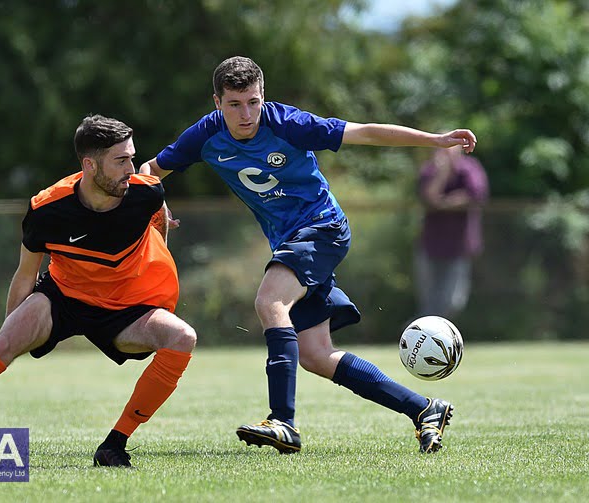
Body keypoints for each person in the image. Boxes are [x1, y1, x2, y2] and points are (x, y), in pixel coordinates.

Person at [139, 56, 477, 454]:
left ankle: (283, 421)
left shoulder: (288, 124)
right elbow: (149, 170)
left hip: (323, 227)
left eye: (253, 101)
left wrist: (435, 140)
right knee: (316, 355)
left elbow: (366, 133)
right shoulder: (205, 136)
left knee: (270, 300)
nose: (246, 114)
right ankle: (423, 410)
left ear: (263, 96)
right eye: (234, 104)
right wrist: (155, 207)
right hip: (289, 241)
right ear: (217, 103)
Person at [0, 114, 196, 468]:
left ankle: (115, 444)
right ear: (89, 164)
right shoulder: (47, 209)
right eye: (121, 160)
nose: (131, 169)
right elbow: (26, 276)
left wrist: (157, 250)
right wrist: (12, 330)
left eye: (132, 157)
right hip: (64, 297)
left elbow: (158, 216)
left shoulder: (145, 193)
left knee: (183, 337)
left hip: (126, 308)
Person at [415, 146, 489, 318]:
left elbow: (475, 196)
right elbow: (429, 197)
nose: (445, 153)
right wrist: (441, 173)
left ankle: (433, 334)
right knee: (429, 300)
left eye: (449, 149)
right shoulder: (429, 171)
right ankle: (421, 338)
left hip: (459, 246)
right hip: (430, 244)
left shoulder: (469, 168)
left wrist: (443, 203)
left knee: (454, 301)